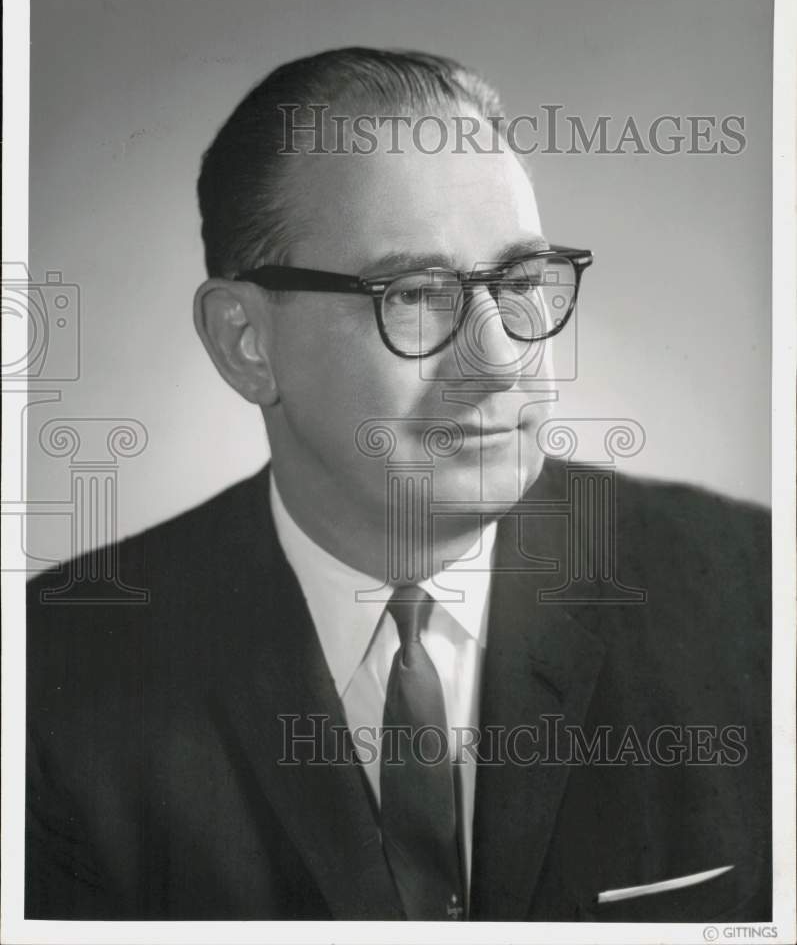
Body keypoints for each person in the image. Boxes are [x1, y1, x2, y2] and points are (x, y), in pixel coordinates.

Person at [25, 48, 771, 922]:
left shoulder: (752, 592)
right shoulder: (52, 674)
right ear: (244, 342)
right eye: (417, 294)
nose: (500, 362)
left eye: (522, 281)